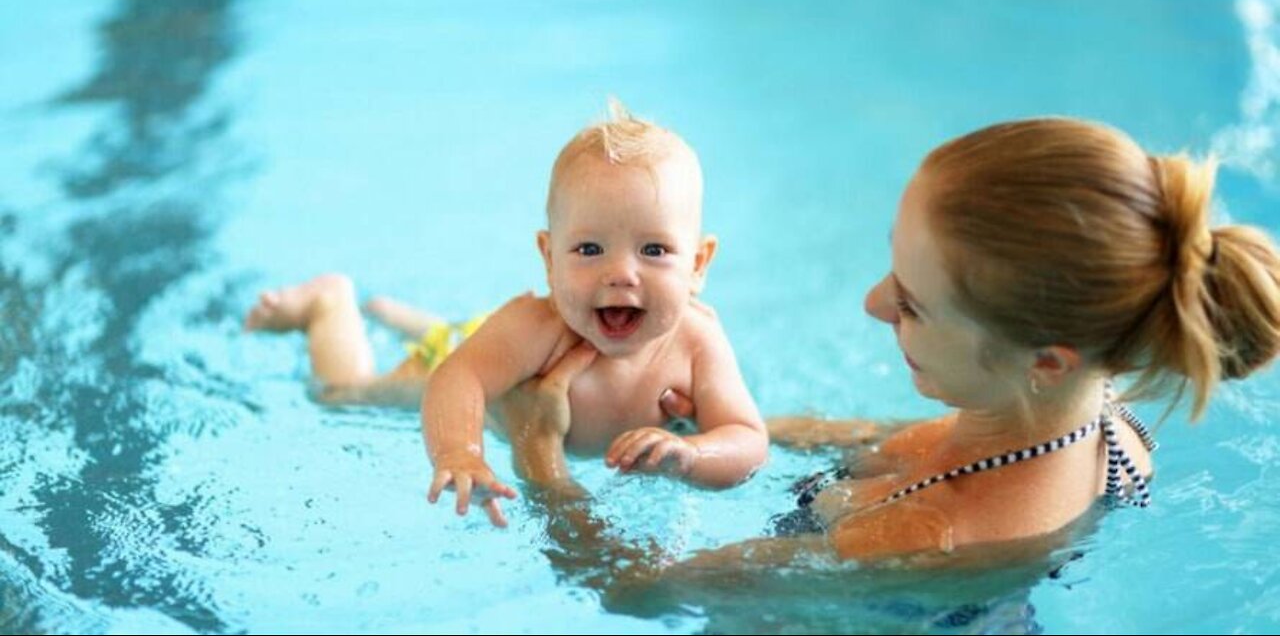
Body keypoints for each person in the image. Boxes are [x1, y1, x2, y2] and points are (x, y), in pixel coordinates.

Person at [507, 117, 1280, 563]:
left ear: (1047, 359)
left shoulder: (920, 534)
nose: (873, 302)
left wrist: (540, 457)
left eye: (912, 302)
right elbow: (895, 442)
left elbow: (639, 589)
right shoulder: (1095, 406)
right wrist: (706, 430)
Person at [244, 100, 769, 527]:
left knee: (481, 339)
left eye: (653, 251)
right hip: (472, 351)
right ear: (548, 258)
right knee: (347, 395)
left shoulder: (698, 340)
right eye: (589, 250)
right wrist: (459, 450)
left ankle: (410, 318)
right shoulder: (539, 327)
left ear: (699, 264)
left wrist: (693, 455)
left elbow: (745, 436)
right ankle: (328, 305)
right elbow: (459, 375)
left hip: (496, 345)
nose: (621, 274)